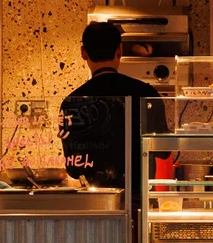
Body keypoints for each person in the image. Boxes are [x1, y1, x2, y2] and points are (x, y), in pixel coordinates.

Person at [57, 19, 162, 191]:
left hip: (98, 202)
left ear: (83, 52)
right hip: (139, 199)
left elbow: (74, 169)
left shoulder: (72, 102)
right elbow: (163, 151)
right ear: (120, 50)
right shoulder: (147, 94)